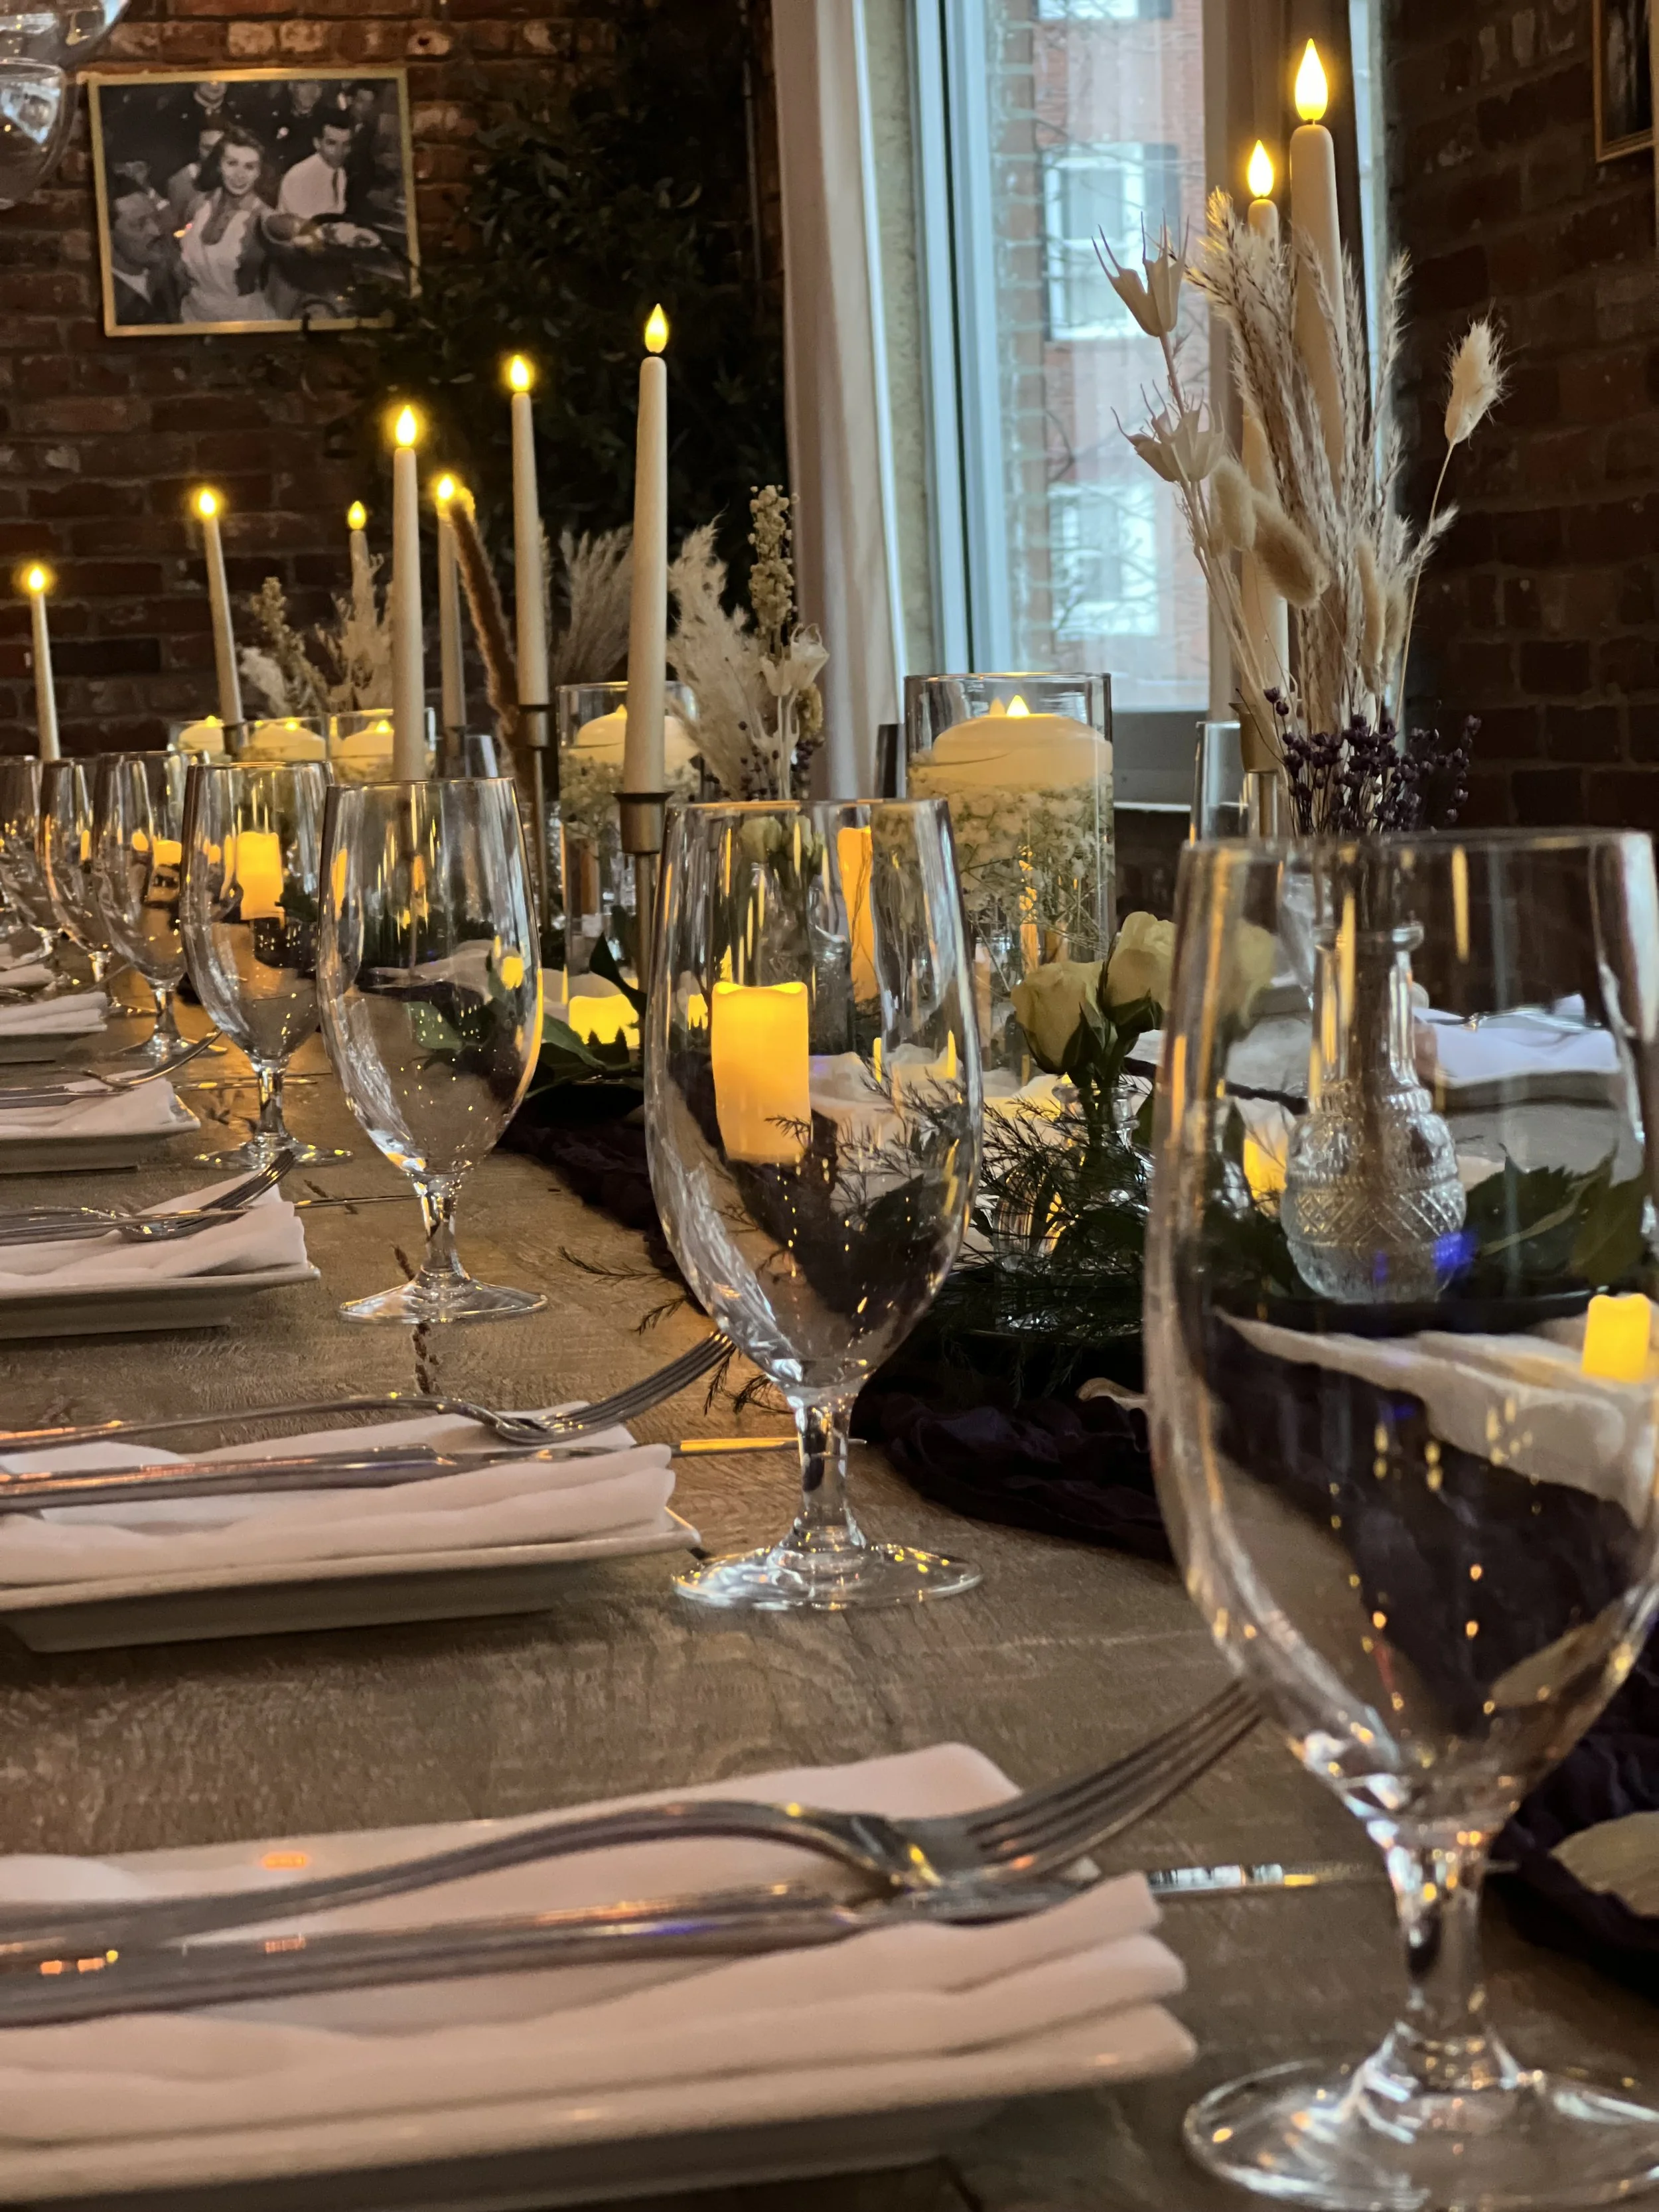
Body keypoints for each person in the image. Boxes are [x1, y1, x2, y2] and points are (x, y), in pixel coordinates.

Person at [178, 125, 277, 325]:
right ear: (218, 165)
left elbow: (284, 228)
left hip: (242, 322)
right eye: (232, 163)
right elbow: (180, 244)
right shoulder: (197, 205)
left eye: (250, 167)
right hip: (192, 316)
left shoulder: (262, 217)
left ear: (259, 172)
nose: (240, 175)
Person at [105, 166, 184, 327]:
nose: (156, 231)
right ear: (108, 234)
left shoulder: (167, 266)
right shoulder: (111, 303)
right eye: (139, 225)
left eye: (155, 218)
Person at [277, 106, 355, 220]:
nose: (340, 152)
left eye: (346, 145)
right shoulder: (300, 177)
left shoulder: (339, 171)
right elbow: (305, 230)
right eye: (332, 143)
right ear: (317, 143)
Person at [164, 121, 225, 231]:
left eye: (219, 148)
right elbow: (178, 229)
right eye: (207, 148)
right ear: (198, 148)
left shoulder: (238, 177)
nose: (214, 154)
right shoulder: (180, 182)